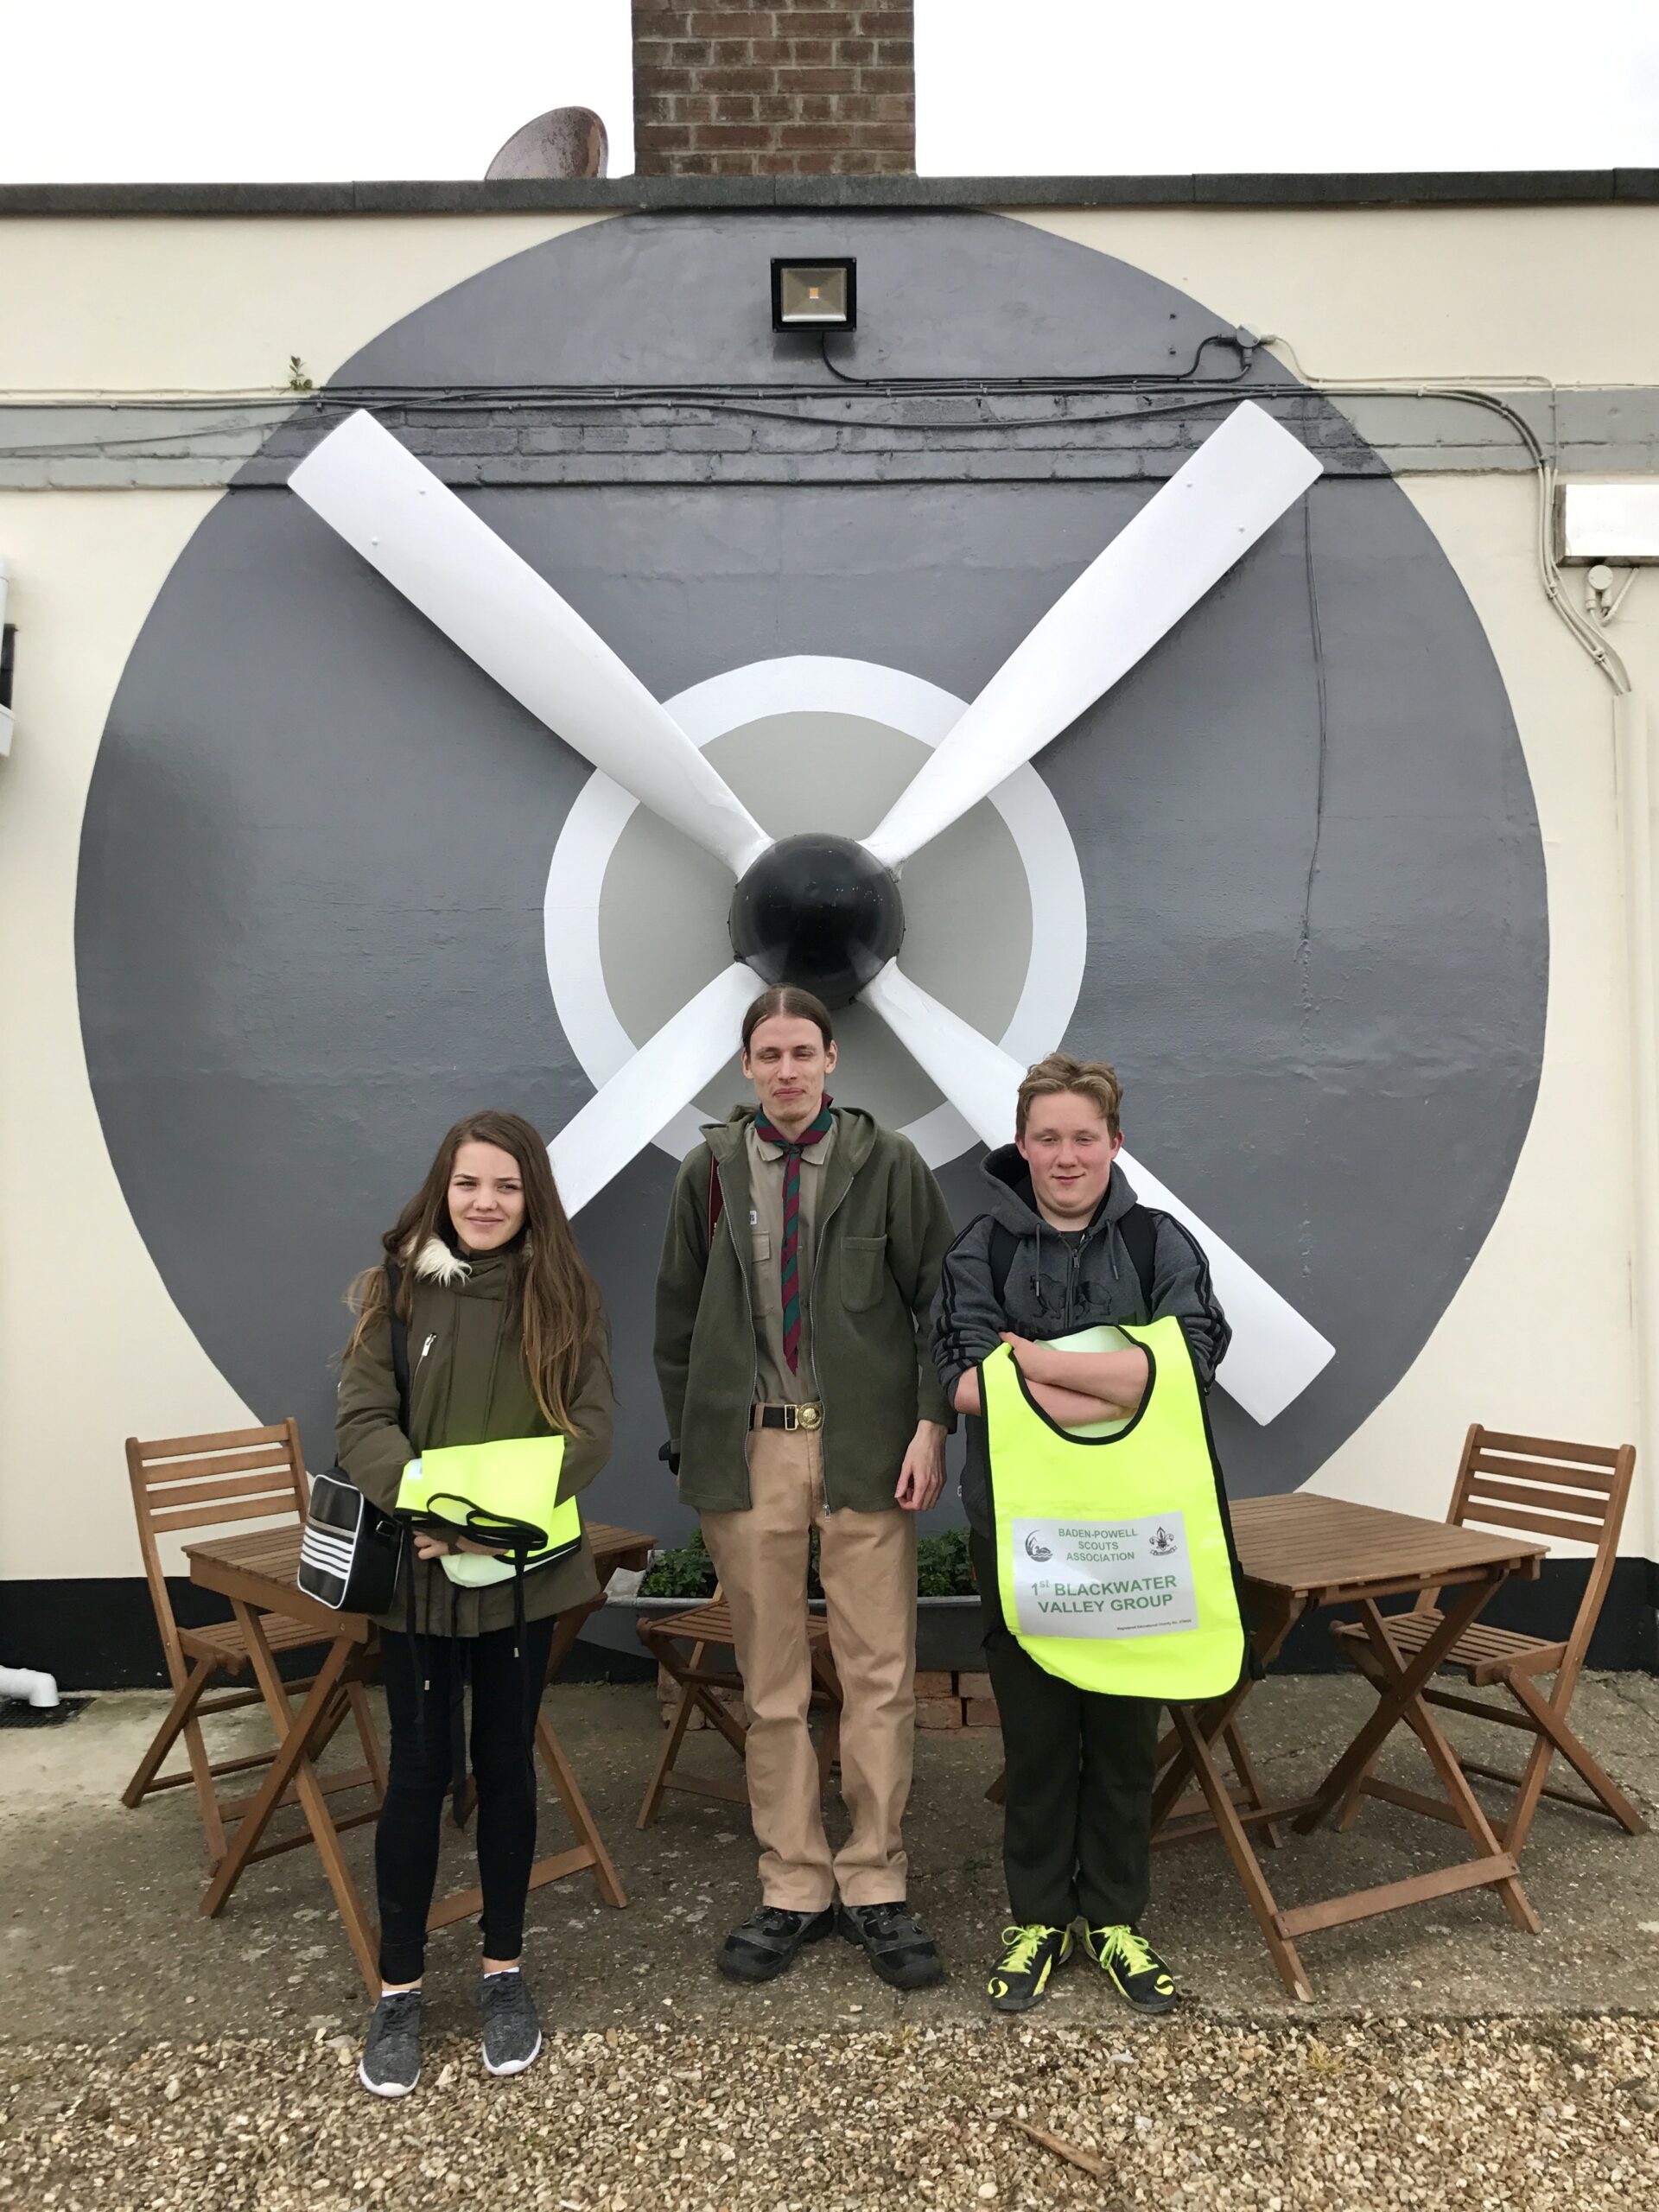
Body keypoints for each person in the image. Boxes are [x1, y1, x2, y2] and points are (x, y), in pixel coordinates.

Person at [654, 985, 957, 1989]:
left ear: (832, 1059)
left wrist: (931, 1424)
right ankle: (793, 1881)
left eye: (802, 1052)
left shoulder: (889, 1164)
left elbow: (940, 1306)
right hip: (755, 1451)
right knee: (773, 1684)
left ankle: (875, 1877)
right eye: (768, 1054)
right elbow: (674, 1323)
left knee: (879, 1673)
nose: (786, 1070)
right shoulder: (709, 1172)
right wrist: (697, 1442)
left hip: (867, 1450)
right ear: (747, 1067)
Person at [932, 1053, 1231, 2015]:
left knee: (1123, 1739)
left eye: (1084, 1138)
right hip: (1022, 1533)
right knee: (1037, 1737)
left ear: (1115, 1142)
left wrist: (1031, 1362)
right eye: (1048, 1138)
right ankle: (1037, 1919)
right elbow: (964, 1380)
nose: (1067, 1156)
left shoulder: (1158, 1243)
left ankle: (1114, 1919)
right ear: (1022, 1147)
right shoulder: (982, 1249)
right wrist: (1119, 1377)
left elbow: (1188, 1365)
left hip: (1138, 1535)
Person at [335, 1109, 613, 2096]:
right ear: (441, 1189)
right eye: (467, 1184)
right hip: (417, 1581)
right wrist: (433, 1509)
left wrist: (487, 1526)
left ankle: (504, 1970)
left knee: (504, 1765)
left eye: (505, 1185)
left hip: (523, 1573)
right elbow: (362, 1420)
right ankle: (399, 1988)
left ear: (532, 1196)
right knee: (418, 1775)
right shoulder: (392, 1292)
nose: (485, 1202)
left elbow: (589, 1430)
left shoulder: (565, 1297)